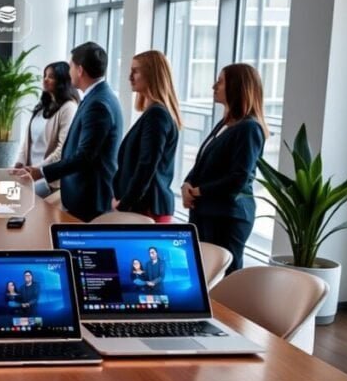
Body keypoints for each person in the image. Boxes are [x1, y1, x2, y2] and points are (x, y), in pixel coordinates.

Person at [182, 64, 269, 275]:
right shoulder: (227, 123)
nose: (214, 86)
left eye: (220, 81)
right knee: (203, 274)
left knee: (225, 278)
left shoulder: (249, 128)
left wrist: (200, 191)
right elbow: (203, 161)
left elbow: (239, 177)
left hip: (227, 216)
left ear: (237, 87)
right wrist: (187, 183)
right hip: (207, 211)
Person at [22, 42, 123, 222]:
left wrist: (42, 172)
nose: (69, 72)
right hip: (83, 195)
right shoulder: (96, 97)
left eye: (70, 67)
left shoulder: (98, 103)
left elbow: (84, 157)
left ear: (80, 70)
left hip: (89, 198)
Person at [112, 51, 182, 222]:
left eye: (135, 71)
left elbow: (147, 166)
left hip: (148, 209)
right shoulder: (153, 113)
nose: (130, 77)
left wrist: (124, 204)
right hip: (144, 207)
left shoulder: (157, 115)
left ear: (152, 75)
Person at [15, 61, 80, 197]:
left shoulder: (69, 108)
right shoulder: (42, 106)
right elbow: (28, 141)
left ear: (62, 80)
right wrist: (19, 164)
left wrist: (39, 170)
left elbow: (62, 149)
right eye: (45, 75)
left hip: (48, 180)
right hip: (30, 175)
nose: (45, 79)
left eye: (51, 76)